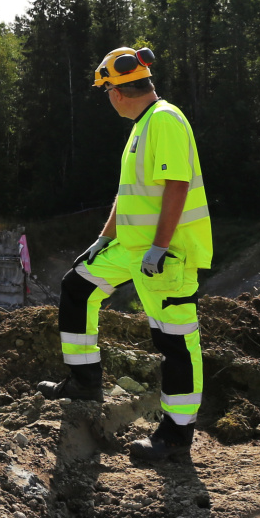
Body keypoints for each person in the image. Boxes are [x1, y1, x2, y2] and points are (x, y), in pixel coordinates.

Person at [42, 47, 212, 463]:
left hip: (166, 254)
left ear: (118, 92)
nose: (107, 100)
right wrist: (104, 239)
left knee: (175, 342)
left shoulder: (165, 120)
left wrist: (159, 245)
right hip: (131, 247)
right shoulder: (143, 126)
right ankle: (84, 381)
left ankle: (176, 436)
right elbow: (129, 193)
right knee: (77, 287)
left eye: (106, 92)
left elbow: (176, 185)